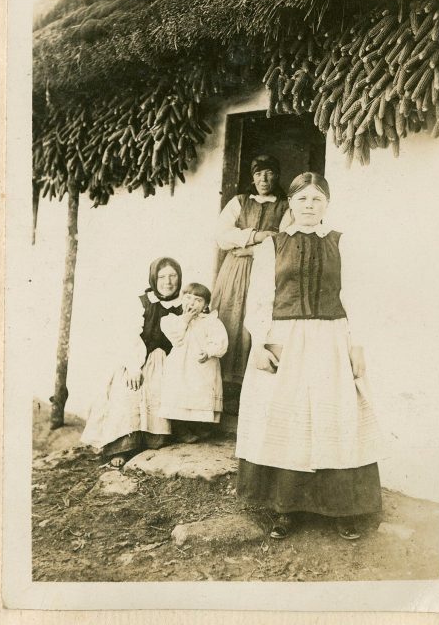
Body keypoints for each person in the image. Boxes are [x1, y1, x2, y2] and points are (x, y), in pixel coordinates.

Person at [236, 172, 382, 540]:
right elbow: (258, 300)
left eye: (316, 199)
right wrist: (260, 344)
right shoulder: (272, 246)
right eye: (302, 200)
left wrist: (357, 345)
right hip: (285, 340)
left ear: (326, 204)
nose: (309, 206)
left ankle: (342, 509)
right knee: (289, 419)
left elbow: (357, 297)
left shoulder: (341, 243)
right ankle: (285, 509)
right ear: (291, 204)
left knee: (335, 419)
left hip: (331, 339)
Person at [80, 257, 183, 467]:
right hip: (140, 359)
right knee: (129, 391)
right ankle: (122, 448)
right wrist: (134, 367)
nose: (168, 282)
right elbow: (129, 336)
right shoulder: (143, 302)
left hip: (169, 363)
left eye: (173, 276)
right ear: (154, 278)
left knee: (161, 396)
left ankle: (154, 440)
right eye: (162, 277)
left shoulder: (184, 304)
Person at [211, 154, 289, 413]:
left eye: (268, 173)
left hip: (266, 271)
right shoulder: (239, 202)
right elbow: (222, 236)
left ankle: (252, 397)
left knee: (257, 323)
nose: (263, 179)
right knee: (230, 320)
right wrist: (258, 235)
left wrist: (250, 250)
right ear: (252, 177)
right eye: (258, 174)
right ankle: (225, 397)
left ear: (276, 175)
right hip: (234, 272)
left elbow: (284, 241)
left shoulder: (286, 206)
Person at [159, 283, 228, 443]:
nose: (191, 303)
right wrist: (186, 319)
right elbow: (175, 338)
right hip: (181, 364)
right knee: (181, 392)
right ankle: (181, 429)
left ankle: (199, 426)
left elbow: (220, 341)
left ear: (205, 305)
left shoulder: (211, 321)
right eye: (188, 298)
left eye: (198, 300)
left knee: (200, 392)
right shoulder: (172, 320)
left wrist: (209, 352)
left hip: (202, 364)